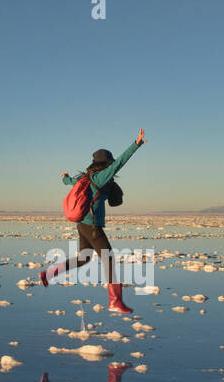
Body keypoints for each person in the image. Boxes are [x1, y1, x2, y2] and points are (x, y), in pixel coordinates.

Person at [39, 128, 146, 314]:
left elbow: (70, 181)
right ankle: (115, 301)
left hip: (82, 224)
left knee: (84, 257)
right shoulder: (102, 176)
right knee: (109, 258)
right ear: (107, 163)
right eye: (110, 163)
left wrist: (64, 178)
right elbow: (120, 163)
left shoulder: (86, 179)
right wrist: (135, 145)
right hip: (92, 226)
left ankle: (49, 273)